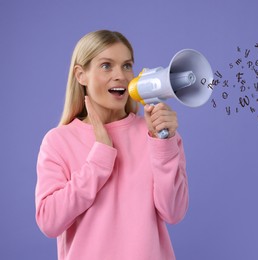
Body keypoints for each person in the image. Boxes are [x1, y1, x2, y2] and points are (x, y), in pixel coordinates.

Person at [35, 30, 189, 260]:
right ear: (81, 75)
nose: (121, 75)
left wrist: (163, 144)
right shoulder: (58, 141)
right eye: (106, 65)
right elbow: (49, 222)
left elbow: (174, 212)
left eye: (127, 66)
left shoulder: (156, 134)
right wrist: (99, 160)